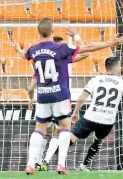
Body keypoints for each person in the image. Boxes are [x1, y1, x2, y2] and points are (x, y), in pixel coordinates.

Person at [12, 17, 123, 175]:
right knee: (64, 128)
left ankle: (31, 164)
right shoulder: (61, 49)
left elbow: (25, 56)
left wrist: (18, 50)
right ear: (52, 31)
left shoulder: (33, 50)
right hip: (60, 95)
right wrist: (112, 43)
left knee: (39, 129)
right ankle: (61, 164)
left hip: (42, 96)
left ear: (39, 32)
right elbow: (87, 48)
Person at [28, 33, 89, 172]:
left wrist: (30, 99)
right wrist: (77, 37)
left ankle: (36, 161)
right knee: (61, 129)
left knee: (42, 130)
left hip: (43, 98)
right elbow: (86, 53)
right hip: (60, 97)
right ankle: (48, 161)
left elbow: (31, 86)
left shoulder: (39, 62)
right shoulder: (63, 60)